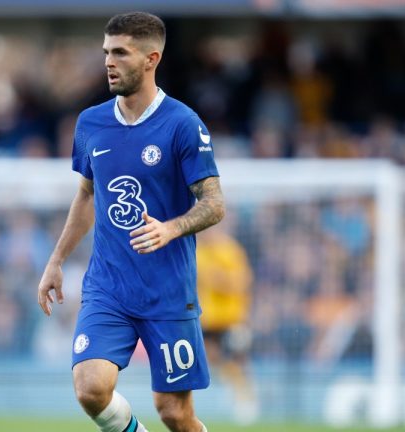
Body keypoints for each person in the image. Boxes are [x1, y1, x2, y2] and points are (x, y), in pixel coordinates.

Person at [37, 12, 225, 432]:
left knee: (175, 414)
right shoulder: (90, 123)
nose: (108, 62)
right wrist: (56, 261)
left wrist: (170, 228)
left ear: (150, 59)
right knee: (90, 388)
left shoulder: (182, 124)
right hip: (109, 287)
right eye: (106, 52)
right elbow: (87, 195)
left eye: (120, 53)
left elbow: (215, 204)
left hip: (167, 291)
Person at [195, 224, 257, 424]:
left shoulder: (230, 250)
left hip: (231, 318)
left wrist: (217, 278)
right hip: (209, 318)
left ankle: (246, 400)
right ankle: (235, 392)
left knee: (236, 360)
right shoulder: (199, 251)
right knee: (213, 357)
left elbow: (243, 282)